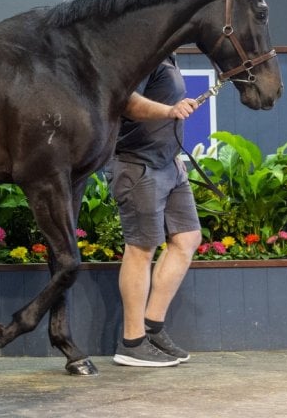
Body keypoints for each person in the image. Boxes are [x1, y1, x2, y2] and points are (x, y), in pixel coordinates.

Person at [108, 54, 201, 368]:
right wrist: (170, 110)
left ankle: (153, 327)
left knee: (187, 238)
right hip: (138, 165)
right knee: (140, 248)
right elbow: (126, 102)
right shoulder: (145, 55)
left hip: (170, 164)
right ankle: (132, 343)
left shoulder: (169, 55)